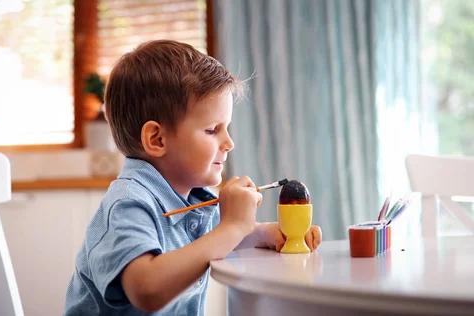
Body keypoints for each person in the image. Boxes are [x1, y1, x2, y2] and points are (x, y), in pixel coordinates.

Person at [63, 40, 322, 315]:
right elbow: (146, 289)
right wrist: (232, 226)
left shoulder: (190, 201)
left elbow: (206, 243)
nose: (229, 143)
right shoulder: (128, 203)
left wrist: (261, 233)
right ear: (157, 139)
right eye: (212, 130)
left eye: (227, 128)